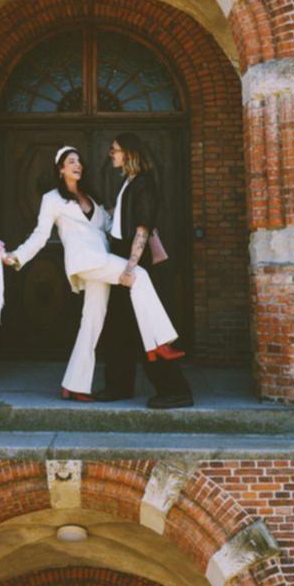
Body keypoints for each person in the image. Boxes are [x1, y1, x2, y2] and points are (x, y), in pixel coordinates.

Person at [3, 146, 185, 401]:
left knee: (91, 321)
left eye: (79, 161)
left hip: (101, 259)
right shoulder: (52, 198)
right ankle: (161, 341)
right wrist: (18, 255)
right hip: (85, 261)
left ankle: (73, 384)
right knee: (139, 275)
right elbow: (40, 235)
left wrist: (128, 216)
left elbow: (109, 227)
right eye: (71, 161)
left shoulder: (91, 198)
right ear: (60, 169)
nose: (78, 165)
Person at [95, 134, 193, 409]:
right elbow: (125, 218)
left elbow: (142, 228)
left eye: (114, 150)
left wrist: (130, 267)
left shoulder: (144, 184)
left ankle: (176, 390)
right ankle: (119, 385)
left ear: (128, 153)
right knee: (119, 327)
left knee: (145, 326)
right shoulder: (129, 182)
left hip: (130, 261)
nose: (110, 155)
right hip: (119, 256)